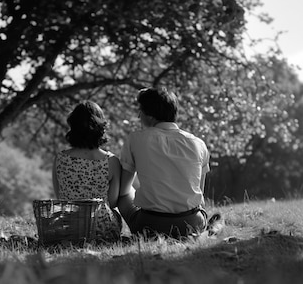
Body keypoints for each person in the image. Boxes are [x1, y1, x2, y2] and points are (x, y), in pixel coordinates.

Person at [117, 87, 219, 239]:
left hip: (149, 225)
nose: (139, 116)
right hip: (191, 223)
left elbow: (124, 190)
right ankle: (204, 230)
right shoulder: (198, 143)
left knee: (123, 195)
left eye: (141, 111)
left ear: (150, 115)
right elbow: (200, 194)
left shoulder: (135, 139)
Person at [52, 101, 123, 241]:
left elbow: (60, 196)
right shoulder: (111, 161)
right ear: (101, 127)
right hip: (102, 230)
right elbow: (113, 203)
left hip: (69, 228)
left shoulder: (60, 158)